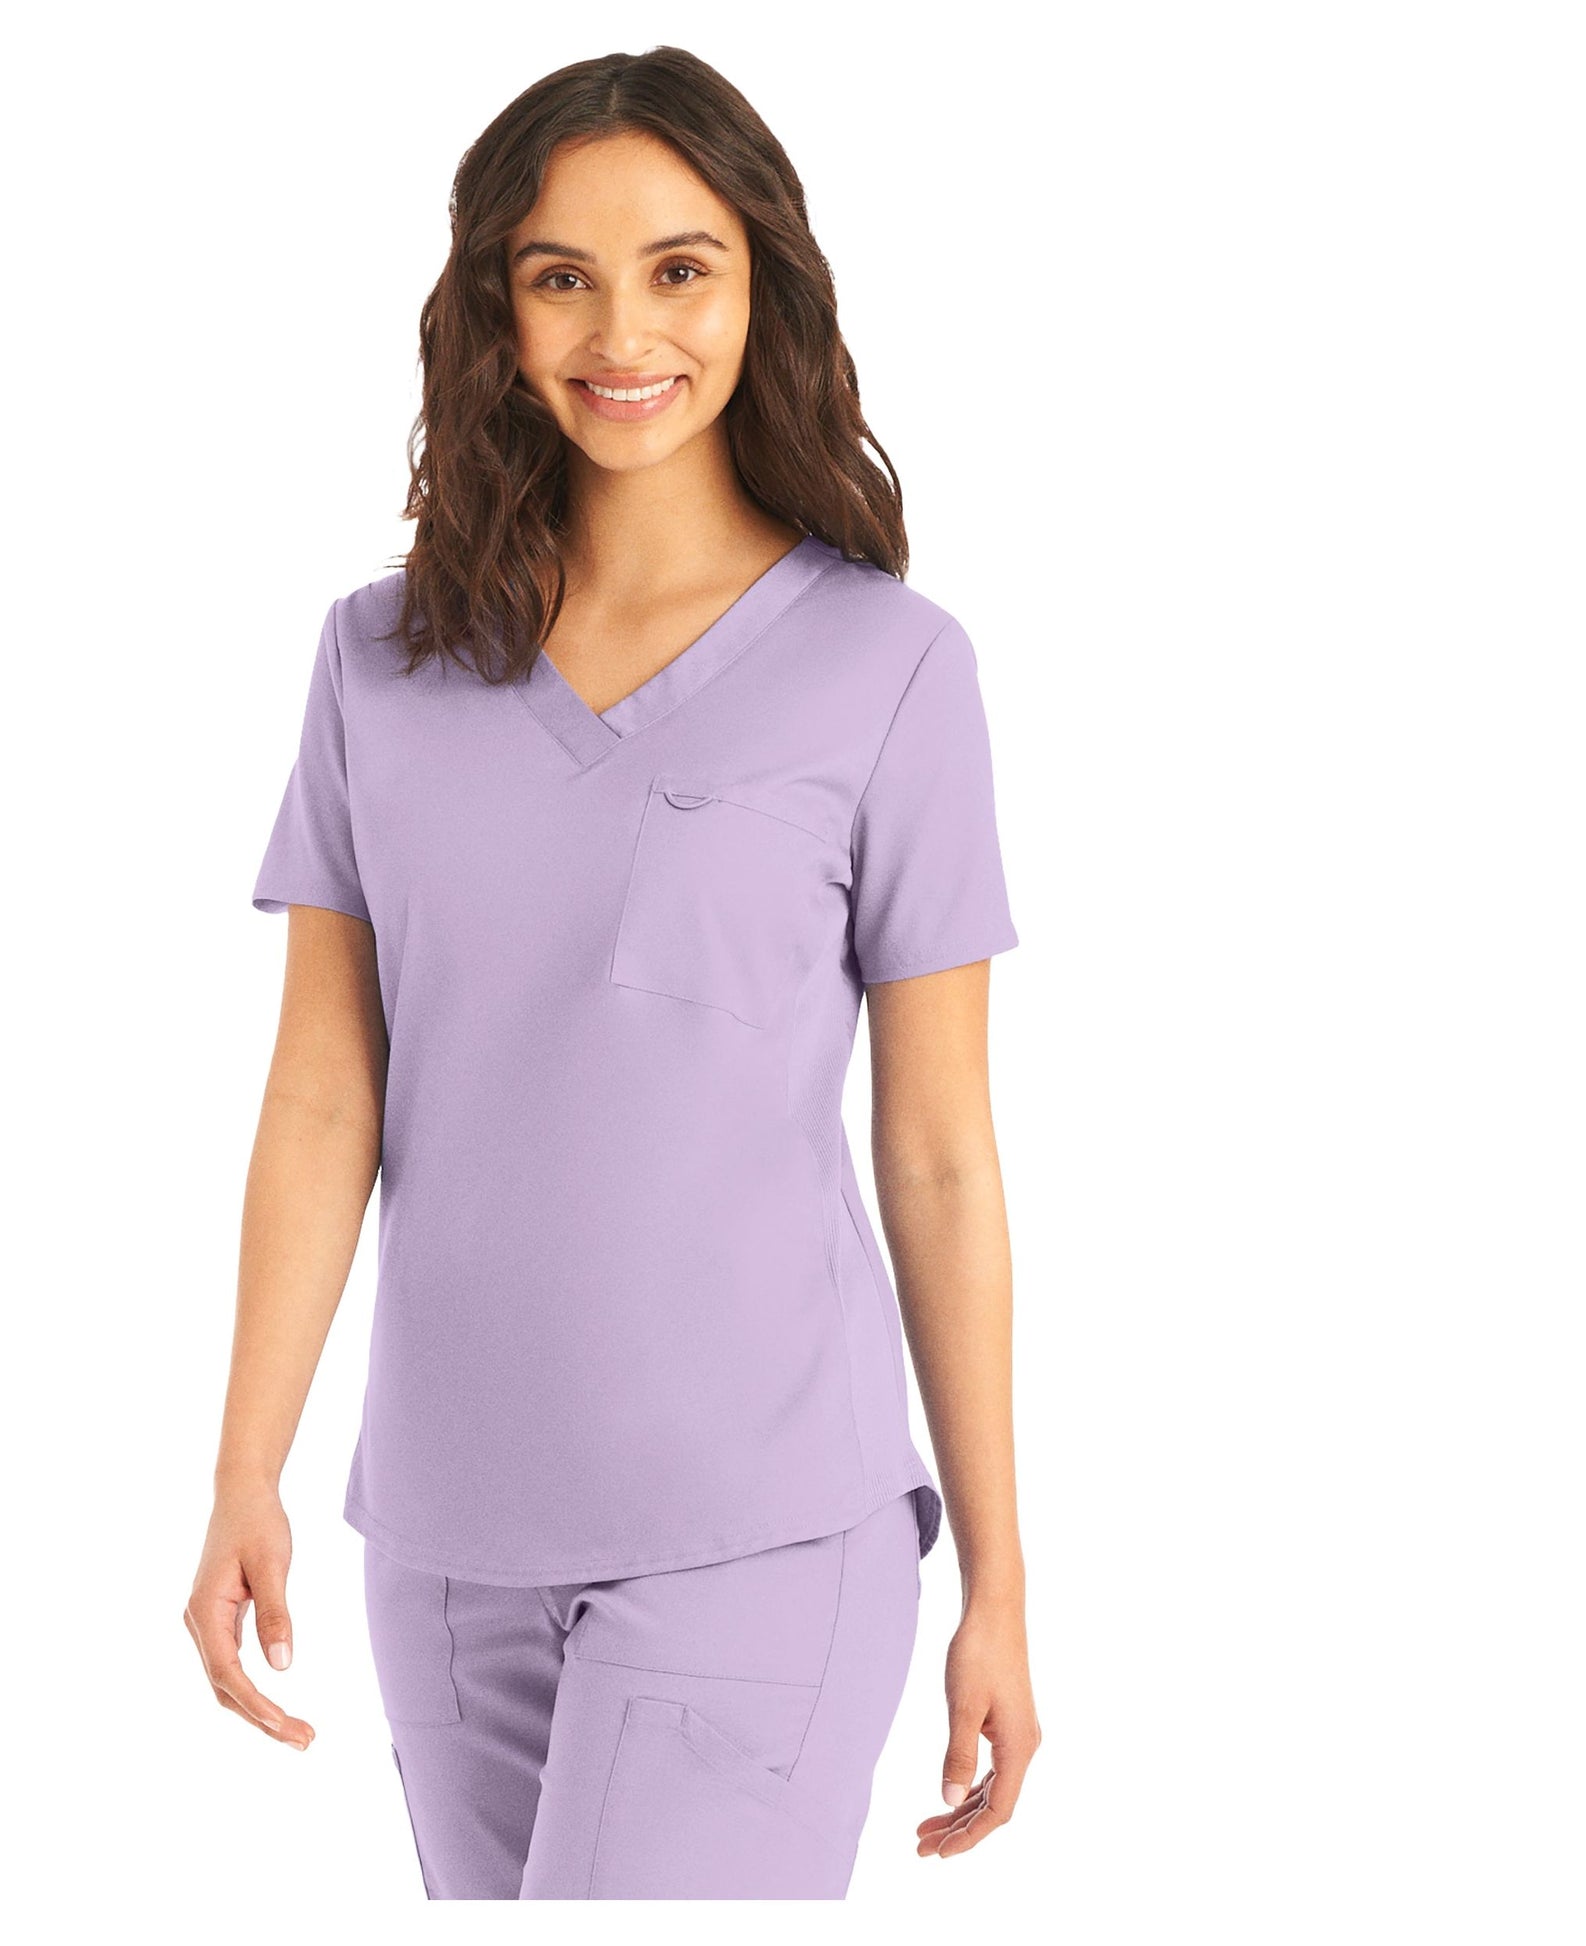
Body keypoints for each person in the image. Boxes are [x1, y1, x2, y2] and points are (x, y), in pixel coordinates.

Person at [183, 45, 1042, 1900]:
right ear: (494, 308)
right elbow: (324, 1095)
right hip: (442, 1542)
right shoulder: (375, 660)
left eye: (679, 269)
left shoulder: (890, 667)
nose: (620, 331)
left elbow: (938, 1155)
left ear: (761, 289)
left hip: (759, 1528)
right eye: (559, 274)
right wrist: (246, 1465)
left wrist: (998, 1575)